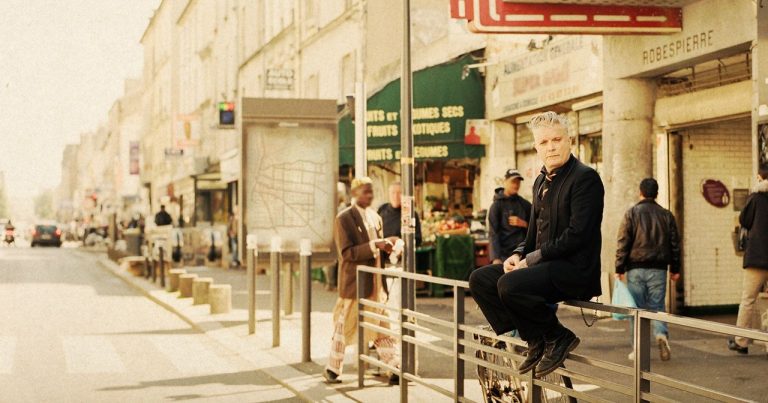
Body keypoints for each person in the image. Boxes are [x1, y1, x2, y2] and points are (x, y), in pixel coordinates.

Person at [469, 111, 604, 378]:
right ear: (536, 147)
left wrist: (531, 260)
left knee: (510, 285)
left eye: (557, 139)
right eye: (544, 142)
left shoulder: (585, 178)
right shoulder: (540, 180)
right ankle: (535, 339)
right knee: (480, 280)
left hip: (574, 270)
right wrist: (518, 254)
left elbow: (578, 235)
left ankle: (558, 336)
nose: (551, 147)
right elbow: (532, 233)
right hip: (544, 267)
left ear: (569, 141)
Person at [324, 177, 401, 385]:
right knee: (345, 326)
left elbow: (378, 250)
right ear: (354, 193)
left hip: (377, 282)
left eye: (371, 191)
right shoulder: (343, 218)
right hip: (355, 283)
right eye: (366, 191)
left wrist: (391, 247)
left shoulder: (375, 217)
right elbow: (346, 253)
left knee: (382, 324)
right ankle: (333, 368)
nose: (370, 195)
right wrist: (375, 245)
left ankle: (394, 366)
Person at [615, 178, 681, 361]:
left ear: (640, 192)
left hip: (635, 269)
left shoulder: (632, 213)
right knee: (657, 306)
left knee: (636, 310)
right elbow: (675, 244)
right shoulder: (666, 215)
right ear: (656, 194)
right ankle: (661, 335)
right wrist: (675, 269)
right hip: (659, 269)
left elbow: (623, 242)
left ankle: (638, 348)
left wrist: (619, 267)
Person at [728, 164, 768, 355]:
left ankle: (741, 341)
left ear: (760, 177)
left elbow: (744, 220)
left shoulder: (756, 197)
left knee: (748, 300)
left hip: (757, 258)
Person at [488, 169, 532, 264]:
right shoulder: (496, 206)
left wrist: (524, 224)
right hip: (504, 255)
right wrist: (496, 258)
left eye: (518, 182)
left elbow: (537, 226)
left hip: (522, 254)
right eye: (513, 182)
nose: (516, 185)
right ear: (505, 182)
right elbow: (493, 233)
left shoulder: (525, 204)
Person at [377, 182, 422, 247]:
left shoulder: (410, 213)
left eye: (399, 193)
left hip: (402, 251)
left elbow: (417, 239)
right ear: (389, 194)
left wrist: (398, 242)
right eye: (393, 193)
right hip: (382, 250)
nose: (396, 196)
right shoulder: (382, 209)